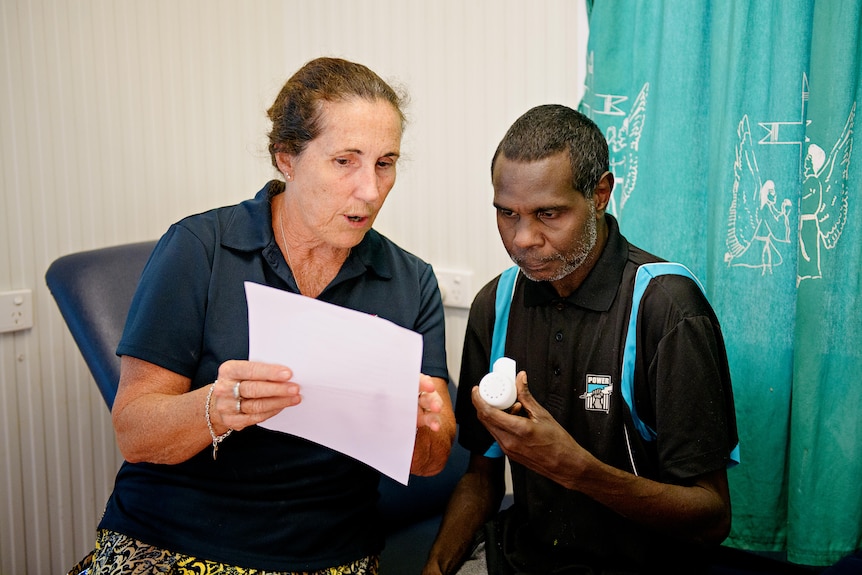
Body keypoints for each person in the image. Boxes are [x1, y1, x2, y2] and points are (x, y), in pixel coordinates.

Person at [68, 57, 455, 575]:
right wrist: (216, 408)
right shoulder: (199, 249)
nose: (370, 190)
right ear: (286, 159)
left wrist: (420, 429)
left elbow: (430, 460)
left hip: (327, 551)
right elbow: (135, 433)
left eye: (385, 163)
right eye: (345, 161)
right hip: (173, 535)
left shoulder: (410, 281)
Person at [423, 105, 738, 575]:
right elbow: (481, 478)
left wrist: (575, 468)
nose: (523, 238)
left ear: (600, 194)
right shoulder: (497, 303)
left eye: (548, 214)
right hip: (520, 557)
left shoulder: (665, 307)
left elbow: (712, 517)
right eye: (507, 214)